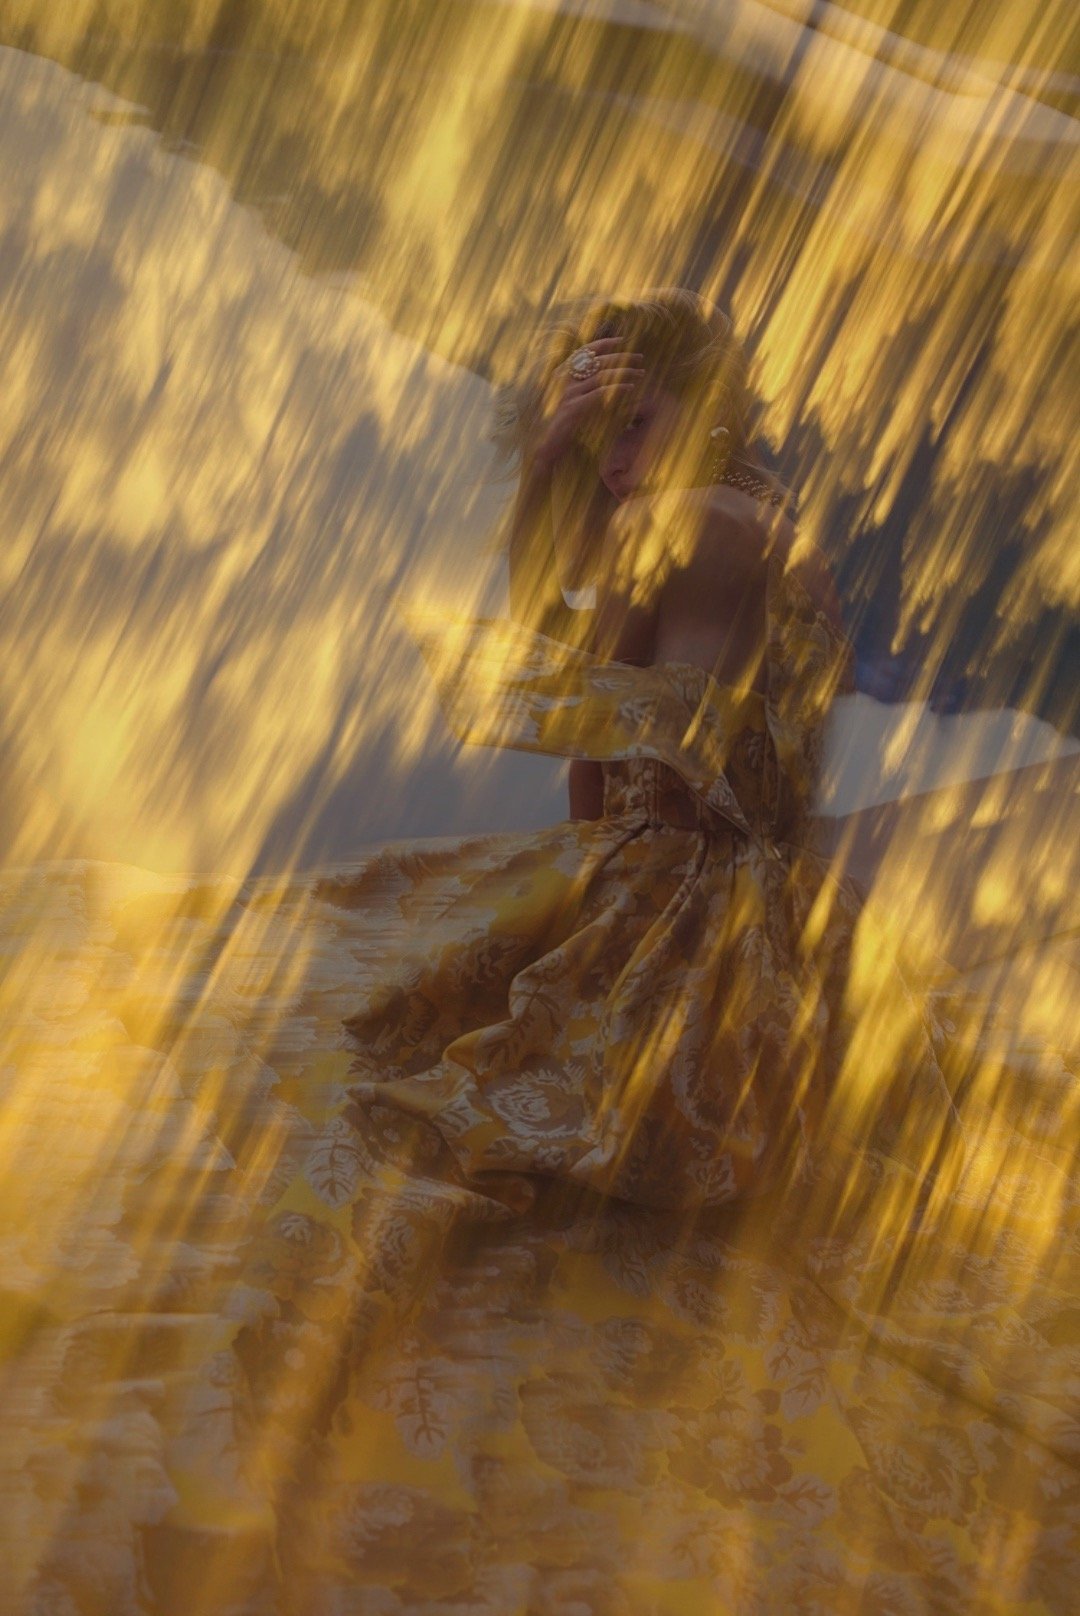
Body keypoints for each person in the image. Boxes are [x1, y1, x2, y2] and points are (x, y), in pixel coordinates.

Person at [1, 290, 1076, 1616]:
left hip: (688, 929)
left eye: (635, 424)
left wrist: (545, 464)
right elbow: (645, 721)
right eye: (598, 433)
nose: (615, 459)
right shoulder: (761, 523)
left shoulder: (696, 524)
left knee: (411, 1111)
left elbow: (538, 690)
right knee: (426, 988)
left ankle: (262, 1429)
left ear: (707, 412)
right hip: (747, 913)